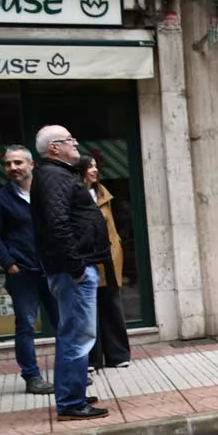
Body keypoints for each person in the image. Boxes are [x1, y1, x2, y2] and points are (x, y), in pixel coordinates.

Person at [30, 125, 109, 420]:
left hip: (74, 267)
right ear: (54, 147)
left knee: (74, 333)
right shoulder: (53, 176)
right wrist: (76, 266)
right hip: (73, 270)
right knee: (77, 335)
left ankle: (72, 394)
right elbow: (57, 224)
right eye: (69, 140)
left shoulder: (55, 175)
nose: (76, 144)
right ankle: (71, 403)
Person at [0, 145, 58, 395]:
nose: (13, 168)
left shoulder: (46, 193)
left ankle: (69, 372)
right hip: (22, 273)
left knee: (64, 324)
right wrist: (10, 264)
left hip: (53, 270)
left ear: (31, 165)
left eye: (18, 163)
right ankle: (32, 377)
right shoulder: (0, 199)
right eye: (8, 164)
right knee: (25, 325)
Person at [77, 154, 130, 369]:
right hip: (87, 258)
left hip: (108, 256)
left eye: (96, 166)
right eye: (90, 167)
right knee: (89, 309)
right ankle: (92, 359)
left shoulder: (102, 194)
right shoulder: (75, 195)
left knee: (112, 305)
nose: (95, 170)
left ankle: (118, 356)